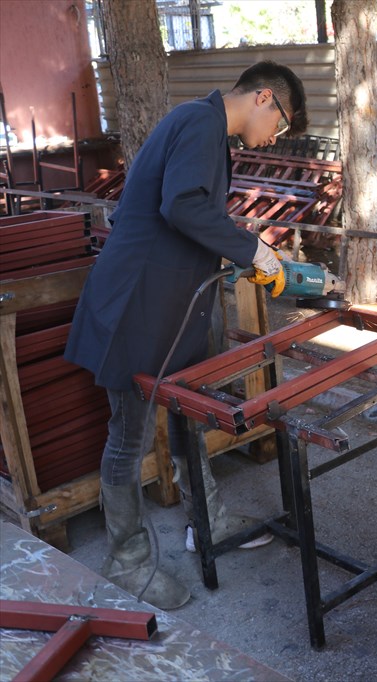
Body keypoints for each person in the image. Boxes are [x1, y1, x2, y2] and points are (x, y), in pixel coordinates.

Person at [65, 61, 308, 609]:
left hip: (170, 307)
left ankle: (210, 521)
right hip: (135, 304)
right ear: (264, 98)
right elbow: (182, 206)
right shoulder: (199, 122)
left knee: (187, 419)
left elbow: (191, 209)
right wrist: (253, 247)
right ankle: (126, 561)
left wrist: (244, 246)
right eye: (281, 124)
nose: (275, 137)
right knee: (127, 437)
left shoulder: (207, 130)